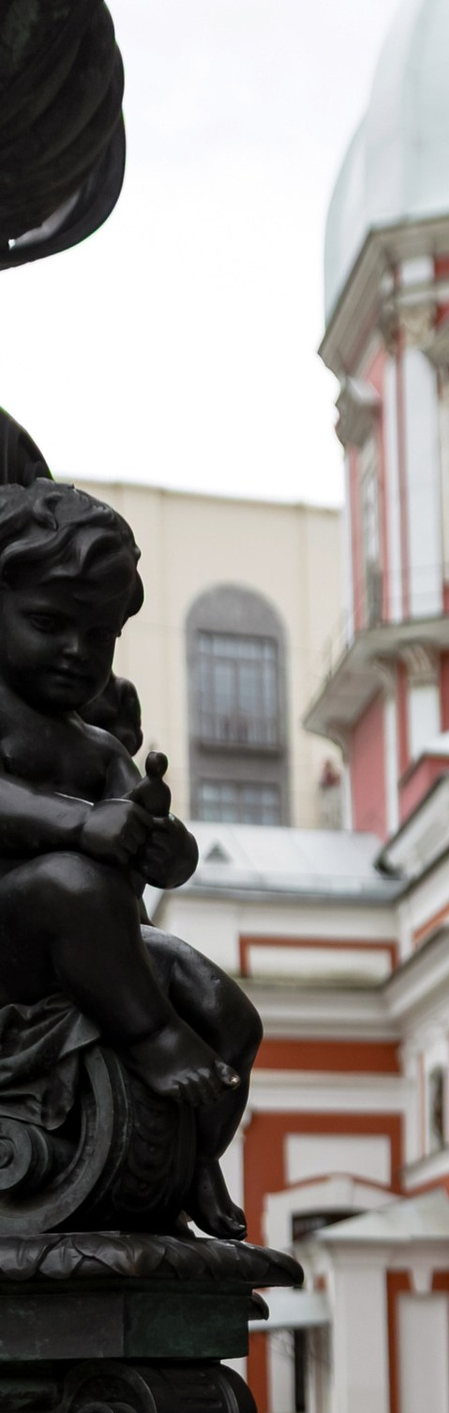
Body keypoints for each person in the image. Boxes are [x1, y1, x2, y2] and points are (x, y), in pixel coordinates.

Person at [0, 478, 260, 1232]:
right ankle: (154, 1039)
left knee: (228, 1012)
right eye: (49, 622)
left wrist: (160, 841)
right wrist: (83, 827)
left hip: (101, 942)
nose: (77, 653)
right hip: (13, 937)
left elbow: (171, 867)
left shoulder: (98, 749)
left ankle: (194, 1163)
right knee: (71, 884)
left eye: (100, 634)